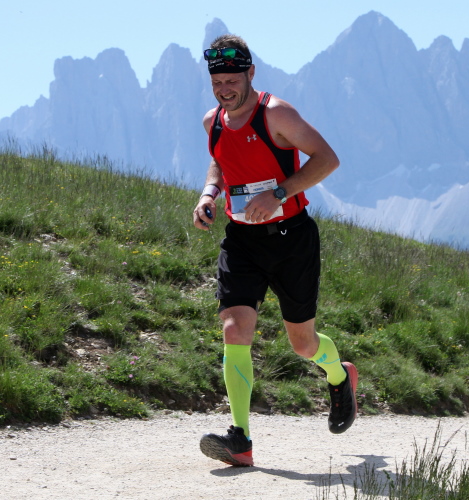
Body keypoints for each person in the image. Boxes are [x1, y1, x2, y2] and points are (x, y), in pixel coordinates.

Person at [193, 34, 358, 467]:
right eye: (217, 83)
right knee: (234, 329)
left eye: (232, 80)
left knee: (303, 345)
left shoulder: (276, 114)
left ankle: (339, 375)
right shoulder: (212, 121)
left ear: (250, 73)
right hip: (241, 240)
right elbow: (220, 160)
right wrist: (209, 194)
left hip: (291, 239)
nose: (225, 90)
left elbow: (326, 159)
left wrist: (280, 193)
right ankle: (240, 440)